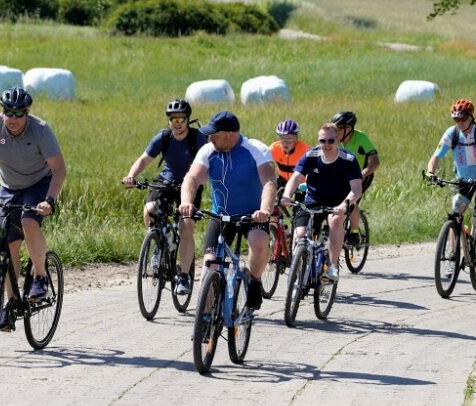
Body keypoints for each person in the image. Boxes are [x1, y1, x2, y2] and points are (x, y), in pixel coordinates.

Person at [0, 86, 67, 331]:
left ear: (27, 113)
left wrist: (49, 200)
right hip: (9, 188)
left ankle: (40, 277)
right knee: (9, 245)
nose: (13, 118)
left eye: (19, 113)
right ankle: (11, 304)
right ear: (2, 112)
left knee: (28, 221)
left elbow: (59, 169)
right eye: (8, 112)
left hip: (38, 184)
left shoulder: (41, 130)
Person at [179, 111, 277, 310]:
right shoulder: (208, 150)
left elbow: (269, 181)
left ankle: (255, 281)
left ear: (230, 134)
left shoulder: (255, 149)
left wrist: (265, 210)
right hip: (221, 216)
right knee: (210, 264)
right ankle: (205, 319)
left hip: (253, 215)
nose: (210, 139)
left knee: (258, 242)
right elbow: (192, 178)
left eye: (215, 135)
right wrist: (186, 202)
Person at [122, 99, 207, 295]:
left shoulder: (198, 138)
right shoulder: (164, 137)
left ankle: (183, 276)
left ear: (187, 120)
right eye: (172, 119)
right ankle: (159, 243)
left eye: (181, 119)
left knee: (186, 225)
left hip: (191, 183)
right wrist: (131, 176)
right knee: (150, 209)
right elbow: (144, 159)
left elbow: (209, 162)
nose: (177, 123)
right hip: (167, 181)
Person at [280, 123, 363, 281]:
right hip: (313, 200)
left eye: (331, 141)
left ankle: (332, 267)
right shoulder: (311, 155)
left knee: (335, 221)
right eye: (322, 141)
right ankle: (297, 276)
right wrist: (286, 195)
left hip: (339, 202)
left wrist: (344, 205)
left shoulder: (348, 159)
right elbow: (296, 177)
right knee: (300, 235)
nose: (326, 145)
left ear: (338, 140)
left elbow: (356, 189)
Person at [424, 98, 476, 253]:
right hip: (463, 180)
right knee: (456, 211)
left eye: (463, 118)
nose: (460, 122)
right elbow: (436, 157)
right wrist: (430, 172)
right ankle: (453, 253)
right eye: (456, 119)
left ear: (471, 116)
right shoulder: (451, 134)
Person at [331, 111, 379, 247]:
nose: (336, 132)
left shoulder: (361, 138)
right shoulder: (334, 140)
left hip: (363, 175)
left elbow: (375, 161)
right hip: (343, 176)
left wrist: (363, 174)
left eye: (339, 129)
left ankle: (355, 232)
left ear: (349, 128)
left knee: (351, 202)